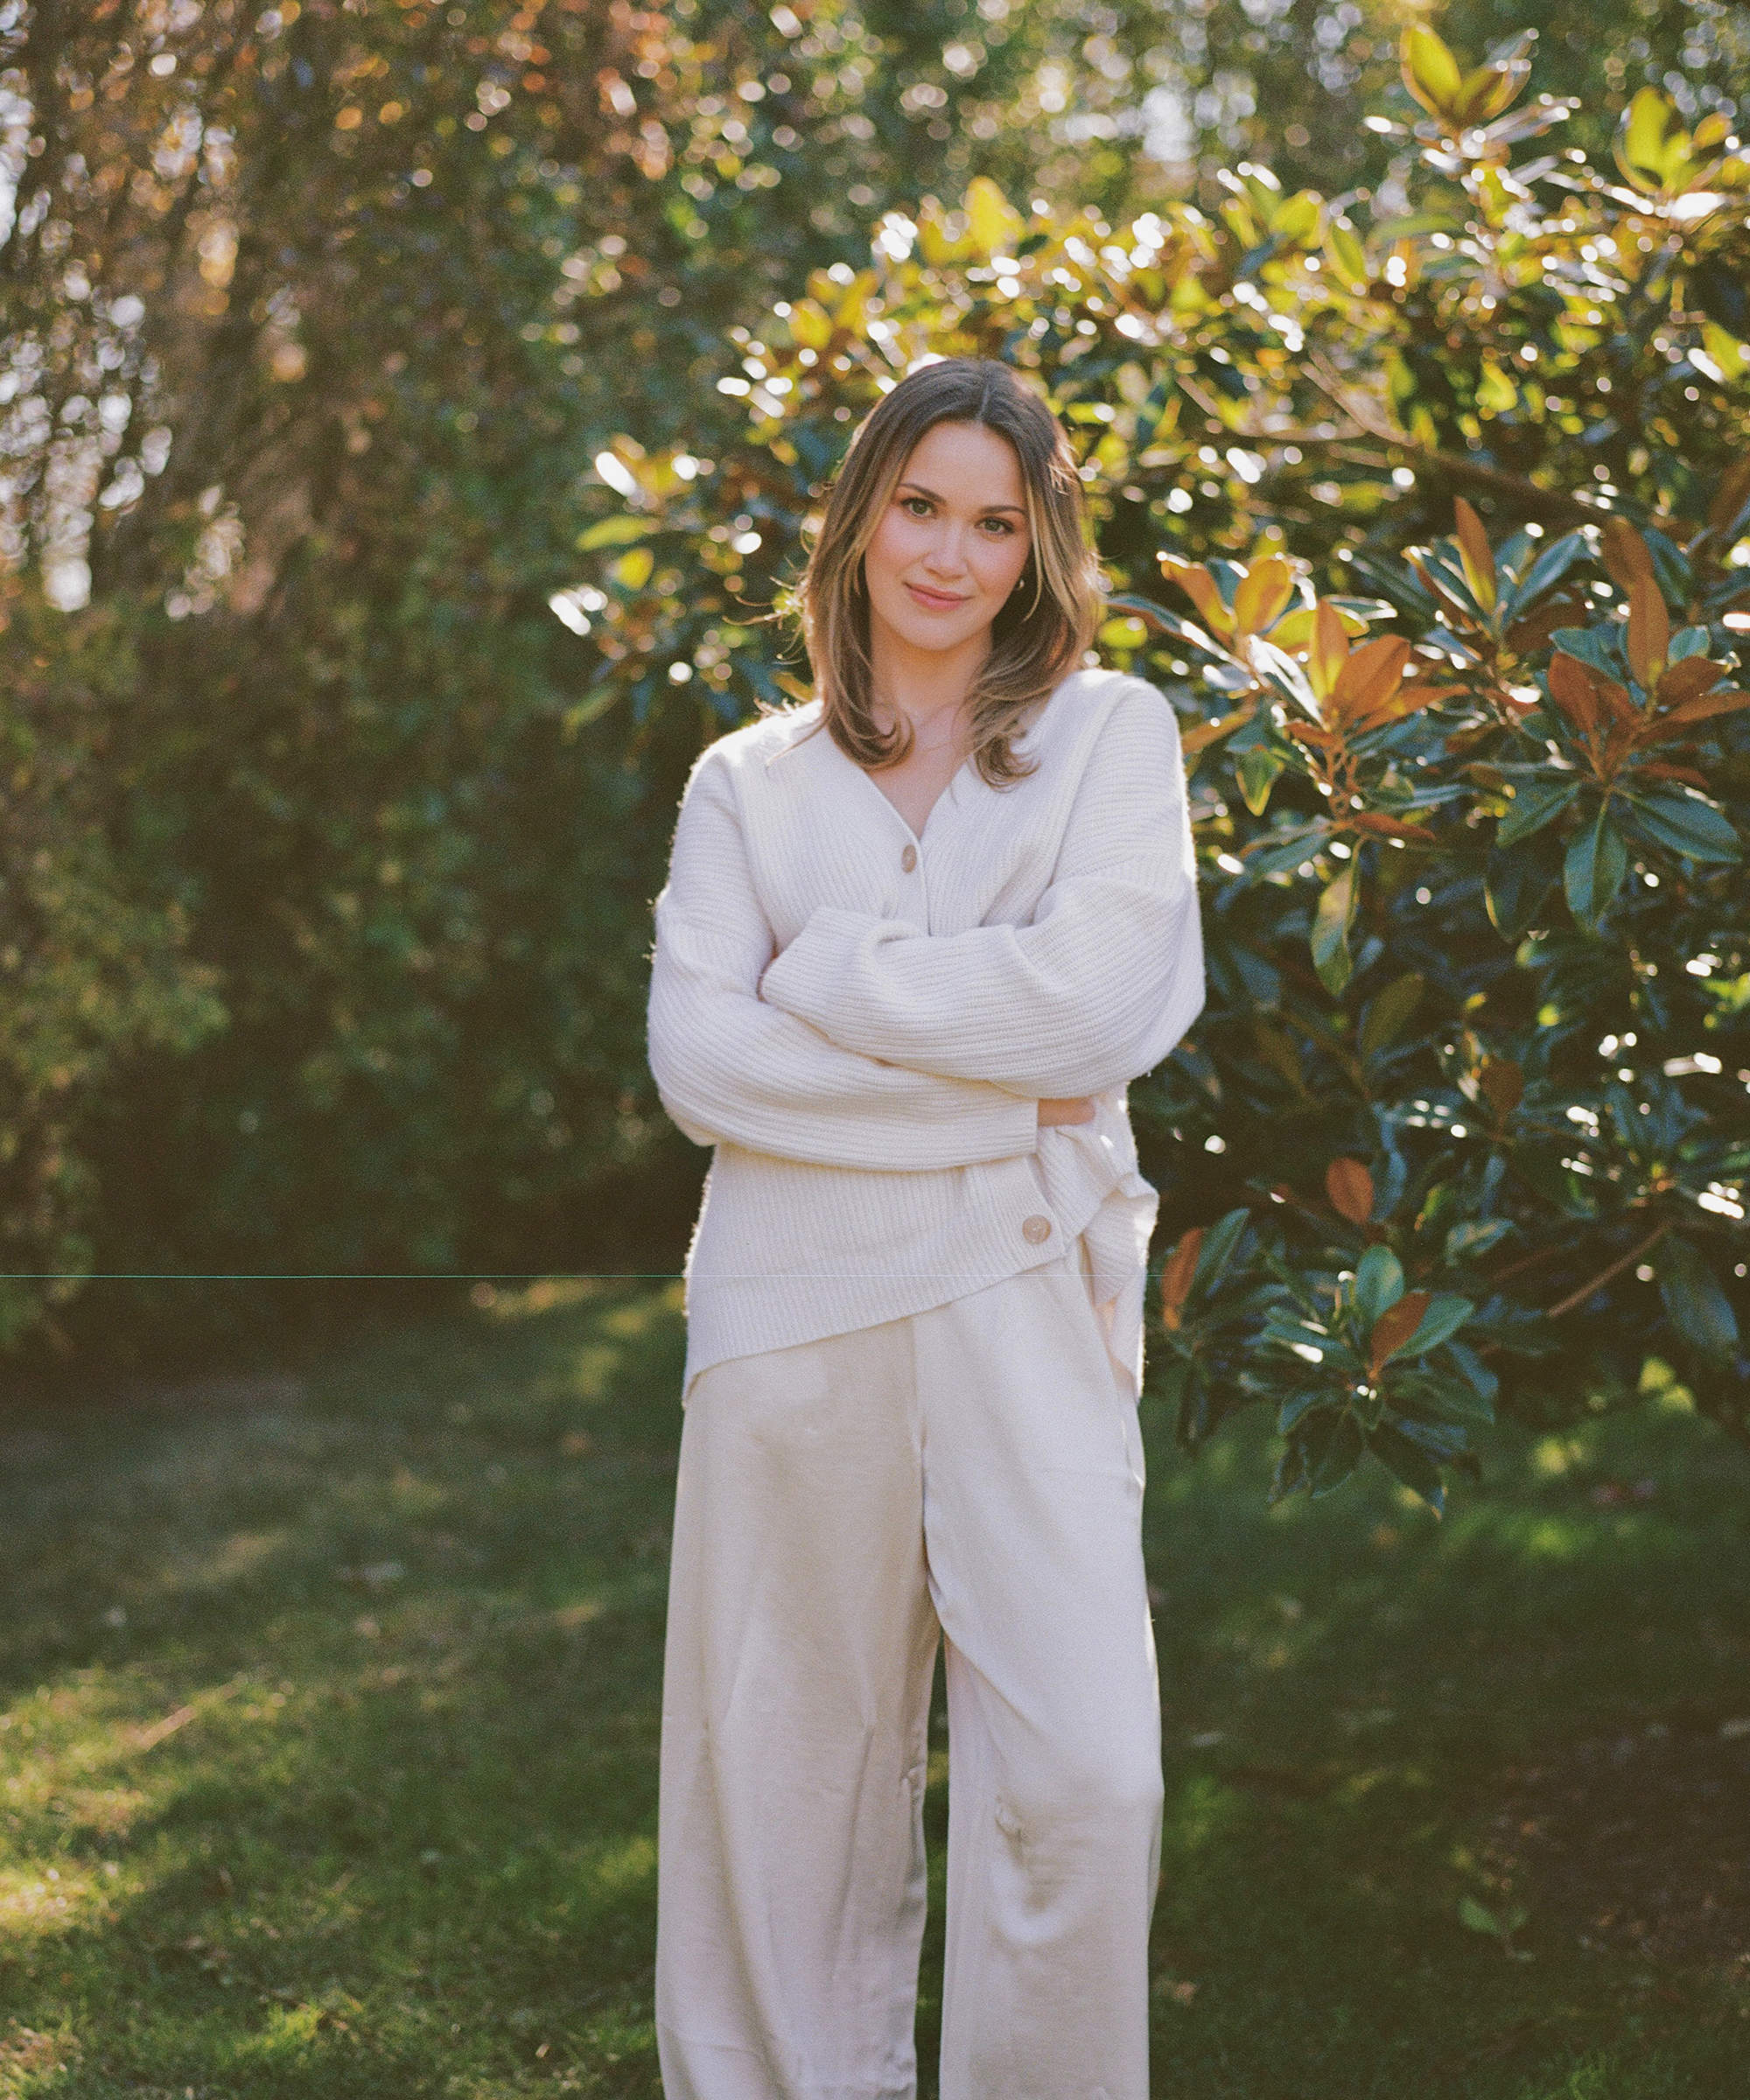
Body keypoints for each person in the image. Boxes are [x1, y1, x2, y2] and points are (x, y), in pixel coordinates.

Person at [646, 354, 1205, 2100]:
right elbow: (704, 1069)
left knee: (1086, 1776)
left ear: (1038, 551)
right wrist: (991, 1103)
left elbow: (1101, 1010)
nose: (948, 555)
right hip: (787, 1316)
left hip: (1029, 1302)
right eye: (919, 506)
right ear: (861, 516)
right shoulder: (746, 783)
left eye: (992, 521)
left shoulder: (1108, 735)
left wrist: (833, 973)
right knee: (784, 1772)